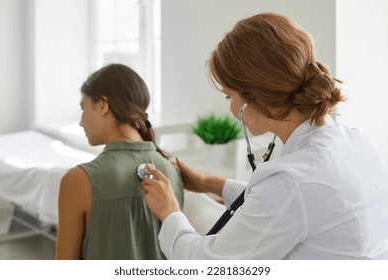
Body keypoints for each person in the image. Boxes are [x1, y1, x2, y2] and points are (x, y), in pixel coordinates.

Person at [141, 13, 388, 259]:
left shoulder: (292, 181)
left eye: (230, 96)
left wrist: (169, 212)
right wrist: (210, 183)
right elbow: (283, 204)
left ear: (255, 97)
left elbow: (208, 265)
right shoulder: (353, 140)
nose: (230, 110)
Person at [56, 64, 184, 260]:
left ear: (103, 105)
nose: (81, 121)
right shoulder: (172, 171)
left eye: (83, 107)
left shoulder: (79, 180)